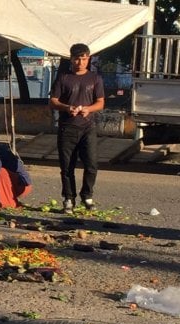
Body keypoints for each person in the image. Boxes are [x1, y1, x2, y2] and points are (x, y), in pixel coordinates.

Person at [49, 43, 105, 214]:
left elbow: (101, 102)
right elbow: (53, 101)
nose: (80, 62)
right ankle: (68, 198)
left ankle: (87, 196)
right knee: (67, 166)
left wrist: (88, 109)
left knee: (91, 164)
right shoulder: (63, 78)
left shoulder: (95, 78)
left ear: (89, 59)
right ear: (71, 59)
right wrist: (67, 108)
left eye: (84, 59)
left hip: (88, 127)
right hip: (67, 128)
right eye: (77, 59)